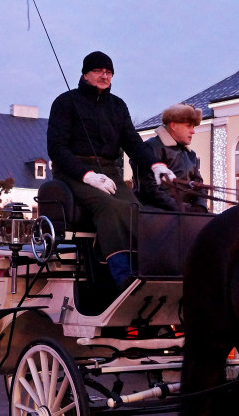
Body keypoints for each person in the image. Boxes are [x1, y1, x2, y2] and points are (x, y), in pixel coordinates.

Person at [46, 51, 176, 289]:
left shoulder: (117, 106)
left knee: (136, 209)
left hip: (109, 171)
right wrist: (87, 175)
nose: (104, 76)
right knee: (109, 206)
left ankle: (147, 269)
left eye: (108, 72)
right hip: (72, 172)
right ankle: (122, 275)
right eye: (98, 71)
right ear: (85, 74)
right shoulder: (65, 103)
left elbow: (133, 142)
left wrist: (155, 164)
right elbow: (56, 148)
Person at [134, 103, 208, 213]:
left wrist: (201, 206)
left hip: (184, 214)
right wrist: (184, 208)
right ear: (174, 126)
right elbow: (149, 188)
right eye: (189, 126)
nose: (193, 131)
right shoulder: (151, 147)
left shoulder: (191, 154)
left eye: (193, 127)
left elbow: (199, 185)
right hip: (154, 214)